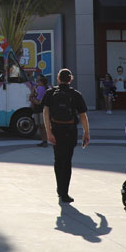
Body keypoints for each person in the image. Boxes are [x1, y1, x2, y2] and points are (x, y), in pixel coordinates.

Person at [43, 68, 90, 203]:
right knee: (67, 161)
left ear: (58, 79)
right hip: (70, 130)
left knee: (58, 159)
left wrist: (49, 132)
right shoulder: (76, 94)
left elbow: (45, 112)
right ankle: (65, 193)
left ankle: (59, 188)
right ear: (70, 79)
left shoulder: (50, 93)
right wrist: (86, 132)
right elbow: (83, 115)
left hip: (56, 129)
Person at [31, 75, 48, 146]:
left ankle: (45, 140)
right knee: (39, 125)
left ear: (41, 81)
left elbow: (38, 101)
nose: (37, 82)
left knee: (42, 125)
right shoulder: (37, 88)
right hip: (38, 109)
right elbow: (32, 97)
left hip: (41, 109)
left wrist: (33, 99)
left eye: (38, 81)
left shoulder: (43, 88)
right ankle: (44, 140)